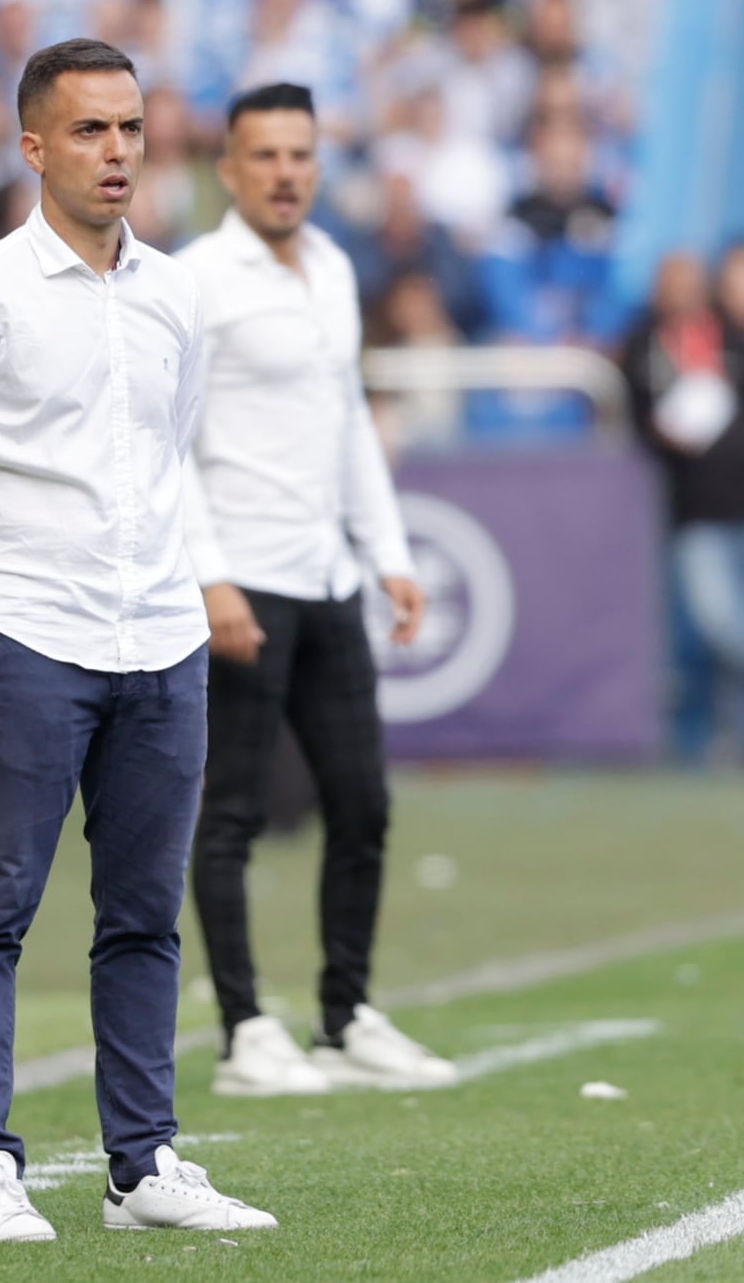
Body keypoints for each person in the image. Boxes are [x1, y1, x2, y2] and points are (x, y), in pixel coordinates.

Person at [0, 39, 276, 1243]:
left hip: (159, 638)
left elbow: (172, 450)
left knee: (144, 912)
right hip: (28, 636)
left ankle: (140, 1160)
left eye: (128, 129)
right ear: (33, 146)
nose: (115, 152)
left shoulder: (171, 295)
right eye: (89, 131)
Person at [175, 83, 457, 1098]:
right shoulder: (196, 279)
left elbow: (346, 421)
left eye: (300, 154)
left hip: (325, 570)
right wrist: (207, 573)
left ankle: (345, 1012)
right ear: (229, 167)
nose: (285, 172)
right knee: (234, 811)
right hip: (243, 573)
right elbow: (169, 441)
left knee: (363, 800)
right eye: (265, 155)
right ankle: (246, 1027)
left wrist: (386, 548)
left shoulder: (333, 268)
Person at [622, 250, 744, 765]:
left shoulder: (736, 342)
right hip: (697, 509)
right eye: (669, 282)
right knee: (722, 623)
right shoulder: (642, 348)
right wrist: (659, 431)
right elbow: (635, 419)